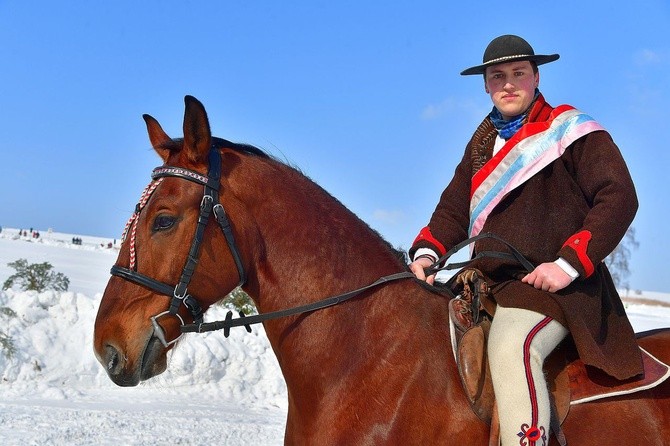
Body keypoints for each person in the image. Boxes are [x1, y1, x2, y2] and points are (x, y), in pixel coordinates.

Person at [408, 35, 642, 445]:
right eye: (498, 76)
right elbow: (451, 213)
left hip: (560, 289)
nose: (509, 84)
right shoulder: (480, 147)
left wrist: (567, 264)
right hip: (491, 286)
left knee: (511, 347)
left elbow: (619, 196)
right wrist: (427, 255)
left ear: (536, 77)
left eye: (518, 74)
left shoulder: (570, 130)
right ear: (485, 85)